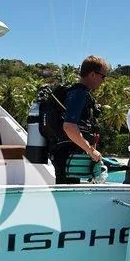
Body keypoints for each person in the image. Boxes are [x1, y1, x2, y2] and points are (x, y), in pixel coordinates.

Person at [52, 55, 108, 184]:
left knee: (69, 190)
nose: (103, 81)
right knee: (68, 192)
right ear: (92, 74)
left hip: (69, 154)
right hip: (67, 155)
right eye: (103, 76)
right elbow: (69, 126)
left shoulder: (79, 93)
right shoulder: (78, 94)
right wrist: (91, 151)